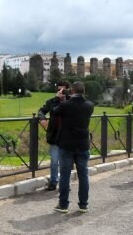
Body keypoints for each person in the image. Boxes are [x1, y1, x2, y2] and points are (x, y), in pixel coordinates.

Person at [51, 81, 94, 214]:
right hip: (82, 144)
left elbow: (54, 112)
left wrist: (58, 98)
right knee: (83, 175)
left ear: (72, 91)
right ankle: (83, 204)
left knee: (64, 175)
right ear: (83, 91)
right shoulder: (90, 105)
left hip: (67, 144)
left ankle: (63, 205)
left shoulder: (65, 105)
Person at [37, 81, 70, 191]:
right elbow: (41, 111)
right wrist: (42, 119)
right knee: (54, 161)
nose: (60, 92)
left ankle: (65, 183)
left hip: (68, 136)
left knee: (66, 162)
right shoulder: (52, 102)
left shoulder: (71, 102)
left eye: (63, 90)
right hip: (55, 135)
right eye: (58, 90)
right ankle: (53, 181)